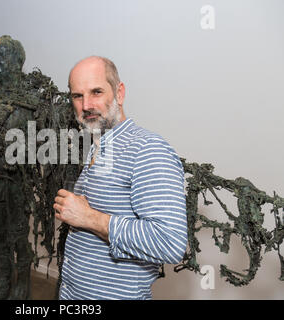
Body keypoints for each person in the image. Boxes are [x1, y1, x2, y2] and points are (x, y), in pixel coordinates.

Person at [54, 56, 188, 299]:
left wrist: (88, 217)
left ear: (119, 93)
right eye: (77, 96)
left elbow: (171, 243)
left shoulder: (147, 148)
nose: (86, 105)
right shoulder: (97, 146)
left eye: (96, 92)